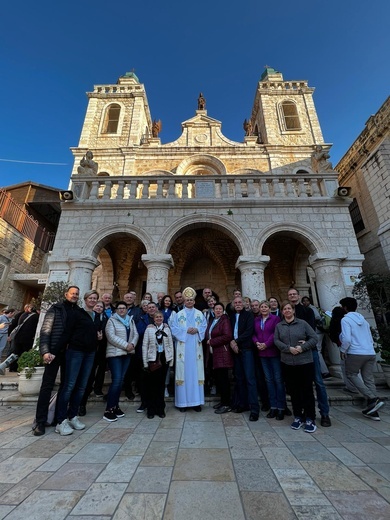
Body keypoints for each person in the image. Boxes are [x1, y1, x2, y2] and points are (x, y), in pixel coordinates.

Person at [33, 286, 80, 437]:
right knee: (47, 385)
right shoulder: (56, 309)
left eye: (76, 294)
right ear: (66, 294)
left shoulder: (78, 311)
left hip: (70, 353)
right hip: (54, 352)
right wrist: (45, 351)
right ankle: (40, 421)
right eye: (72, 293)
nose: (74, 296)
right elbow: (45, 331)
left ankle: (58, 418)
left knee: (66, 386)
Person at [54, 290, 100, 436]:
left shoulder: (96, 316)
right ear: (85, 299)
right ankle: (60, 421)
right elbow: (67, 332)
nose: (93, 300)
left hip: (90, 353)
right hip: (75, 352)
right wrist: (54, 351)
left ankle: (72, 416)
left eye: (95, 298)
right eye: (90, 298)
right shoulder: (77, 313)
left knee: (82, 386)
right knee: (69, 385)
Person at [287, 288, 331, 427]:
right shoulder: (287, 313)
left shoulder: (307, 311)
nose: (292, 296)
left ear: (298, 296)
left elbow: (311, 332)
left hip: (309, 352)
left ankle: (324, 413)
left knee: (318, 382)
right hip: (294, 354)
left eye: (294, 294)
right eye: (290, 295)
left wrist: (304, 344)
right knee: (301, 385)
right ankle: (303, 413)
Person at [274, 301, 318, 433]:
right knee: (293, 391)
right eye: (284, 309)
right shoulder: (279, 326)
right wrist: (288, 349)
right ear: (282, 312)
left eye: (289, 309)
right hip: (287, 362)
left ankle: (310, 417)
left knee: (307, 390)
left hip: (304, 362)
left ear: (293, 311)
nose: (287, 311)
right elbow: (276, 340)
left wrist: (301, 348)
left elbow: (314, 338)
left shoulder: (303, 324)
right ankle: (298, 416)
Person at [339, 297, 384, 420]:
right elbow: (370, 337)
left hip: (355, 352)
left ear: (345, 307)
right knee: (368, 379)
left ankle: (372, 398)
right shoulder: (364, 321)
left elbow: (347, 339)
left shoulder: (345, 320)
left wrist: (343, 350)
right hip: (369, 352)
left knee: (351, 374)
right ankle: (373, 411)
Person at [170, 287, 207, 412]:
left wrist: (197, 330)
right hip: (183, 346)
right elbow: (174, 328)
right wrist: (186, 330)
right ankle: (182, 403)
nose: (189, 302)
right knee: (183, 375)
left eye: (191, 300)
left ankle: (196, 402)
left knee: (195, 374)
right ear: (184, 301)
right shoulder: (178, 314)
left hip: (196, 346)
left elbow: (204, 326)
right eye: (187, 300)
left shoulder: (199, 313)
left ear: (194, 301)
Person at [104, 301, 139, 422]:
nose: (122, 310)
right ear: (116, 310)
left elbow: (135, 334)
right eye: (120, 308)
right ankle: (109, 409)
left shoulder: (130, 320)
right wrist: (126, 345)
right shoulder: (112, 321)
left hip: (127, 354)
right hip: (115, 354)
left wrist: (133, 344)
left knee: (121, 381)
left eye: (124, 308)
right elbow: (111, 336)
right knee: (117, 380)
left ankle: (115, 406)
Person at [253, 301, 285, 420]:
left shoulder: (275, 319)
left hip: (273, 352)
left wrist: (266, 344)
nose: (264, 308)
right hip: (262, 354)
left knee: (278, 379)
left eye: (265, 306)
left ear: (269, 308)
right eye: (262, 307)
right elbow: (254, 334)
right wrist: (257, 343)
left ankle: (281, 407)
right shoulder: (256, 320)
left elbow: (275, 334)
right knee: (269, 380)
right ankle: (273, 407)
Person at [229, 296, 259, 421]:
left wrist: (235, 342)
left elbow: (249, 331)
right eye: (235, 302)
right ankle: (243, 404)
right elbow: (228, 331)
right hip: (235, 351)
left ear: (244, 304)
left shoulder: (248, 315)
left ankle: (254, 409)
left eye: (239, 302)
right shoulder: (230, 316)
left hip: (246, 350)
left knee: (250, 379)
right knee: (239, 378)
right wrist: (232, 342)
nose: (237, 304)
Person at [78, 299, 109, 416]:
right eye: (97, 306)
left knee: (99, 372)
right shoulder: (88, 317)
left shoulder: (105, 319)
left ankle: (96, 389)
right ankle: (81, 404)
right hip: (89, 351)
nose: (99, 308)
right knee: (88, 376)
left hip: (101, 351)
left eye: (101, 307)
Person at [142, 311, 174, 418]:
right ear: (154, 319)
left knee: (161, 385)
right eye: (157, 317)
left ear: (163, 318)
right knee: (152, 385)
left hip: (164, 358)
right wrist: (145, 362)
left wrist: (171, 360)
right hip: (153, 358)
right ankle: (151, 409)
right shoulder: (149, 329)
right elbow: (145, 346)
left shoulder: (167, 329)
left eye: (161, 317)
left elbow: (170, 345)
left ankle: (160, 408)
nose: (159, 318)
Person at [205, 303, 234, 414]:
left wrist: (212, 342)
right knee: (218, 379)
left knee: (224, 380)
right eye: (216, 309)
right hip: (214, 354)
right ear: (213, 310)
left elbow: (227, 336)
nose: (218, 310)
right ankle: (223, 402)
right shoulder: (213, 320)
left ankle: (227, 404)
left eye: (220, 309)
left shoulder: (224, 320)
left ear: (223, 310)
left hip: (222, 353)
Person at [329, 305, 357, 394]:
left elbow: (337, 335)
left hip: (345, 347)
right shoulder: (350, 320)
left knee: (346, 368)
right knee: (354, 369)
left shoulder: (341, 321)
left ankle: (352, 387)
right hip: (356, 347)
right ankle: (358, 387)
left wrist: (343, 349)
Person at [302, 296, 330, 378]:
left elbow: (317, 317)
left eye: (307, 300)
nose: (305, 302)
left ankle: (324, 371)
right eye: (304, 301)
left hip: (317, 331)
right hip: (316, 332)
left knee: (317, 350)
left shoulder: (312, 308)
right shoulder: (307, 309)